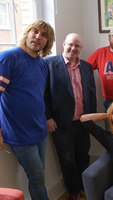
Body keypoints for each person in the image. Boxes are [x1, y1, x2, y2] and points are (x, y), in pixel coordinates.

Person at [0, 20, 55, 200]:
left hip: (39, 131)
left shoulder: (41, 64)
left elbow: (38, 97)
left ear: (48, 42)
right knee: (38, 179)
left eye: (44, 35)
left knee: (39, 177)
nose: (38, 37)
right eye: (35, 31)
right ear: (27, 33)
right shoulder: (9, 58)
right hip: (19, 134)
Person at [44, 33, 97, 200]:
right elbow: (43, 94)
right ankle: (73, 190)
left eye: (77, 46)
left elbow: (92, 93)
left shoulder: (87, 67)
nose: (73, 49)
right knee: (67, 159)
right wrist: (48, 117)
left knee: (83, 155)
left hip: (83, 121)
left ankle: (84, 186)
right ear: (63, 44)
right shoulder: (49, 64)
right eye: (71, 45)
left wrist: (92, 117)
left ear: (81, 48)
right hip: (61, 123)